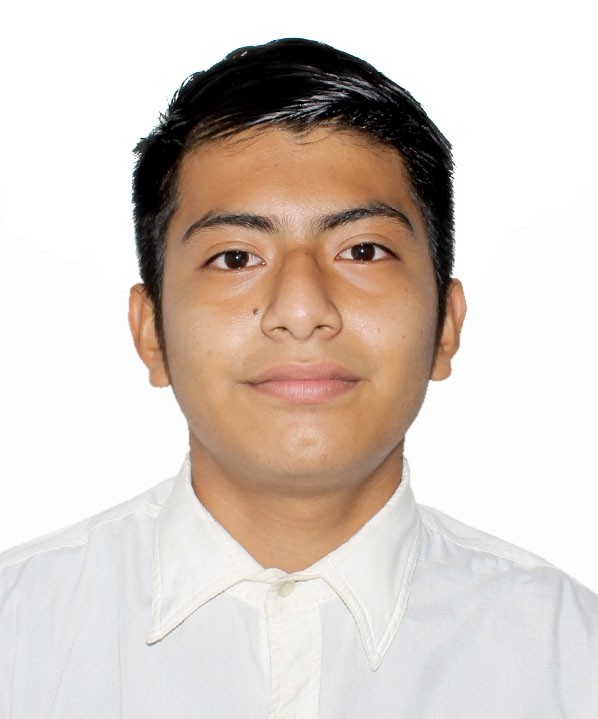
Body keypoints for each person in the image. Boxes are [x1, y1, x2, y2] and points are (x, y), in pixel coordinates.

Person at [0, 37, 596, 718]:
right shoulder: (18, 638)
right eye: (235, 257)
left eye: (362, 250)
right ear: (151, 331)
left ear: (446, 324)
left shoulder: (572, 660)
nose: (303, 309)